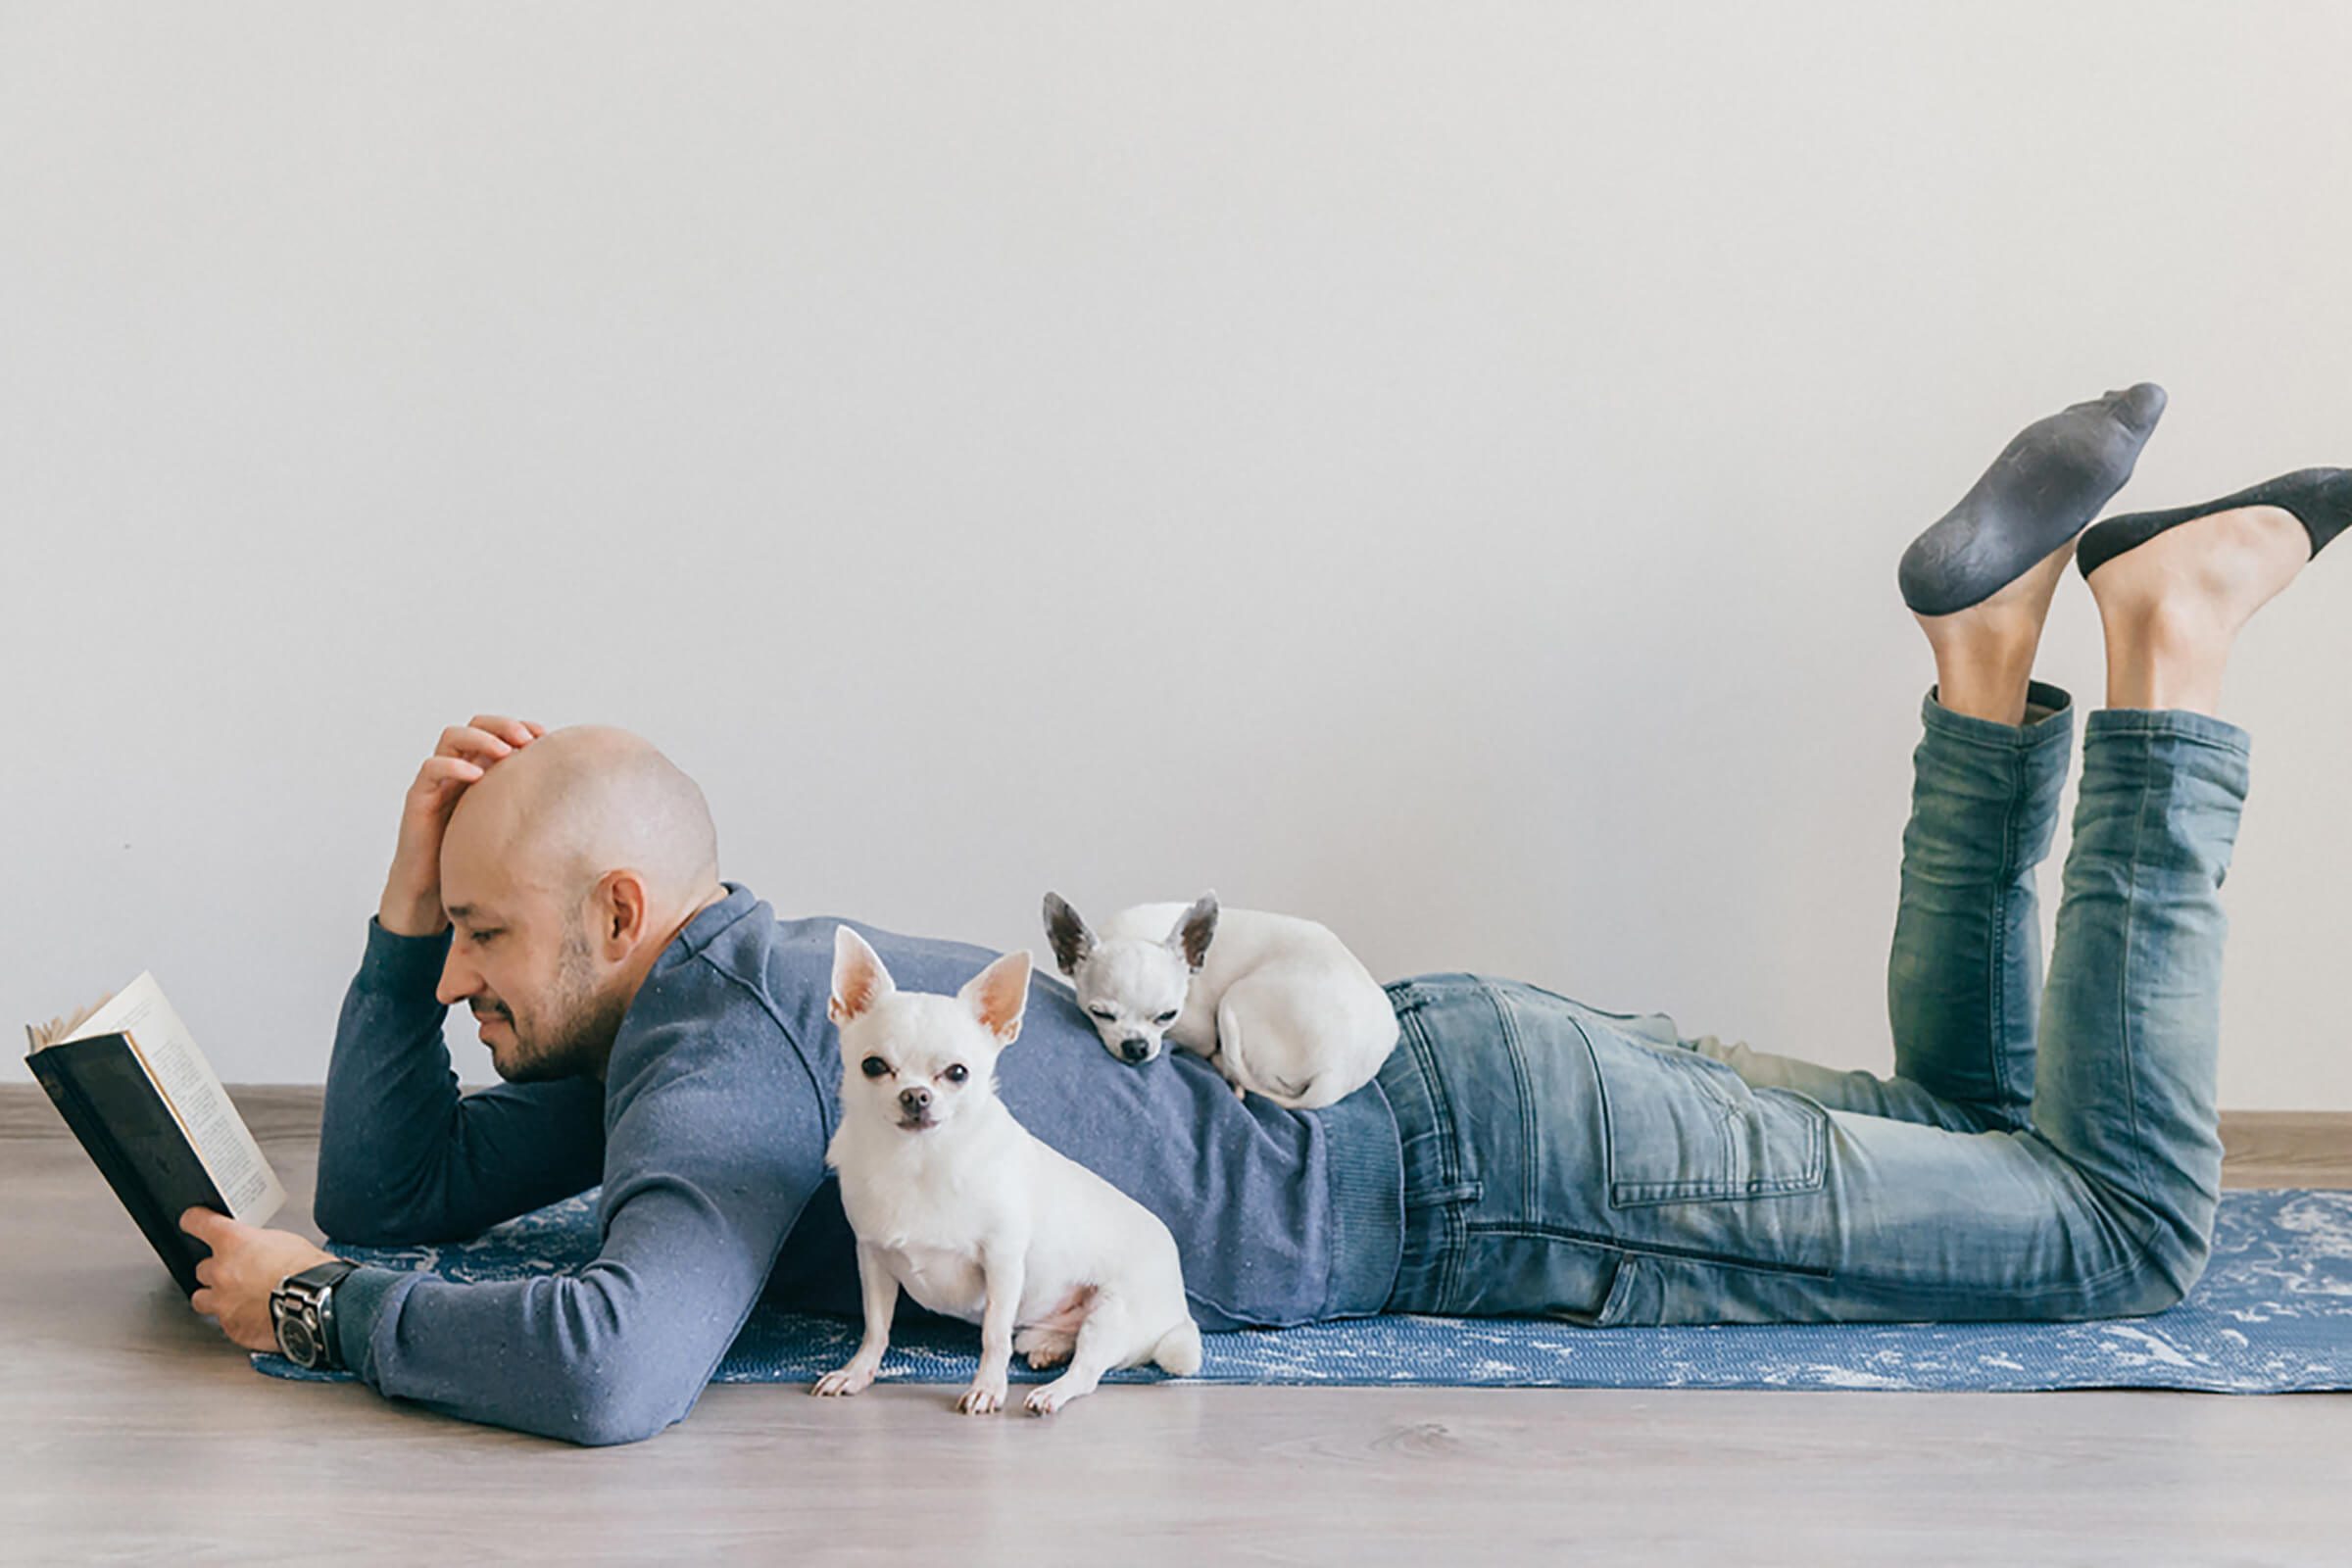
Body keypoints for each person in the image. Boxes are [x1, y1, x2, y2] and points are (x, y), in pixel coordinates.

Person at [180, 385, 2346, 1445]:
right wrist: (395, 911)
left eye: (471, 942)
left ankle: (2156, 651)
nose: (454, 987)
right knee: (1964, 1123)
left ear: (616, 909)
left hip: (1500, 1176)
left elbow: (608, 1362)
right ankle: (1986, 666)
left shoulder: (736, 1041)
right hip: (1463, 1074)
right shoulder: (720, 1013)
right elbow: (402, 1195)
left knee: (2115, 1227)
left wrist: (311, 1318)